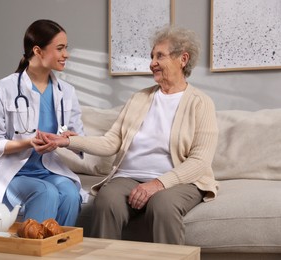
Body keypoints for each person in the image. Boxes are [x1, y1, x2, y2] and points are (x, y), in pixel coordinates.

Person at [35, 26, 219, 244]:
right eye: (151, 56)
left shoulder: (201, 103)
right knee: (106, 201)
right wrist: (67, 141)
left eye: (159, 56)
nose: (152, 63)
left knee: (163, 205)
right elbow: (112, 142)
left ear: (183, 59)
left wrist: (158, 184)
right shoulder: (139, 98)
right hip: (129, 176)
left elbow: (200, 161)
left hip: (177, 181)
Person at [0, 19, 87, 227]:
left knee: (71, 193)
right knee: (46, 193)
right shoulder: (3, 89)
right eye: (60, 48)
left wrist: (68, 141)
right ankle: (31, 251)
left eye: (66, 48)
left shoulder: (67, 92)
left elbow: (80, 140)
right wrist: (28, 142)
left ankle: (59, 251)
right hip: (11, 173)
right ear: (38, 51)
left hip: (49, 170)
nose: (66, 54)